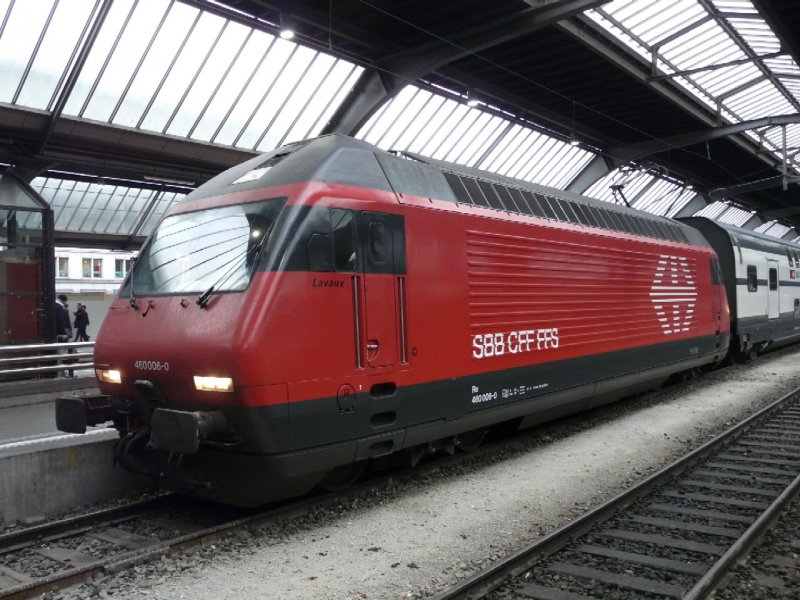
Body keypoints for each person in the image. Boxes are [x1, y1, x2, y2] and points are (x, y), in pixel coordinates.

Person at [54, 294, 73, 377]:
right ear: (64, 301)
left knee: (61, 353)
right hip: (62, 335)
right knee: (63, 353)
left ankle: (62, 371)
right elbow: (62, 321)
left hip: (59, 335)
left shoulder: (56, 306)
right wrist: (65, 334)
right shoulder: (59, 308)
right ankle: (62, 371)